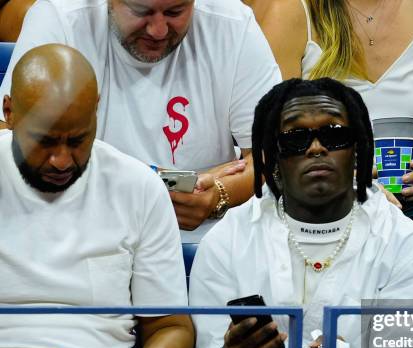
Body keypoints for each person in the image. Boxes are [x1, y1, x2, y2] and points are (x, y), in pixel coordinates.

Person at [190, 78, 413, 348]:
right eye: (295, 138)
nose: (316, 147)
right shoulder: (228, 240)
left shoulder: (405, 243)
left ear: (358, 148)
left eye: (334, 135)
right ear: (273, 158)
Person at [0, 44, 203, 348]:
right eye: (45, 141)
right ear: (9, 113)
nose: (62, 161)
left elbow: (171, 327)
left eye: (78, 140)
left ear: (96, 110)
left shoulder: (137, 185)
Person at [0, 0, 282, 241]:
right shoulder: (59, 16)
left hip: (208, 240)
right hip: (78, 234)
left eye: (175, 11)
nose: (158, 30)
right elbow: (10, 141)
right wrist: (149, 184)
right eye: (140, 10)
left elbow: (272, 153)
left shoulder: (232, 22)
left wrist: (220, 194)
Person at [244, 0, 413, 236]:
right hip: (317, 200)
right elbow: (270, 138)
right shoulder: (290, 11)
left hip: (402, 201)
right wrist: (344, 179)